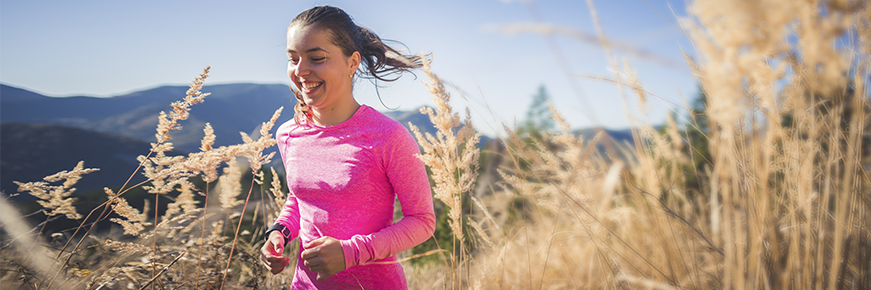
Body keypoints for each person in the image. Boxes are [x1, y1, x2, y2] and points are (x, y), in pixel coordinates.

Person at [259, 5, 435, 289]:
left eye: (316, 58)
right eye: (293, 59)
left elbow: (422, 221)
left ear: (352, 62)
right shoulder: (289, 134)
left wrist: (351, 252)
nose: (300, 71)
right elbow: (301, 199)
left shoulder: (388, 136)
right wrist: (279, 232)